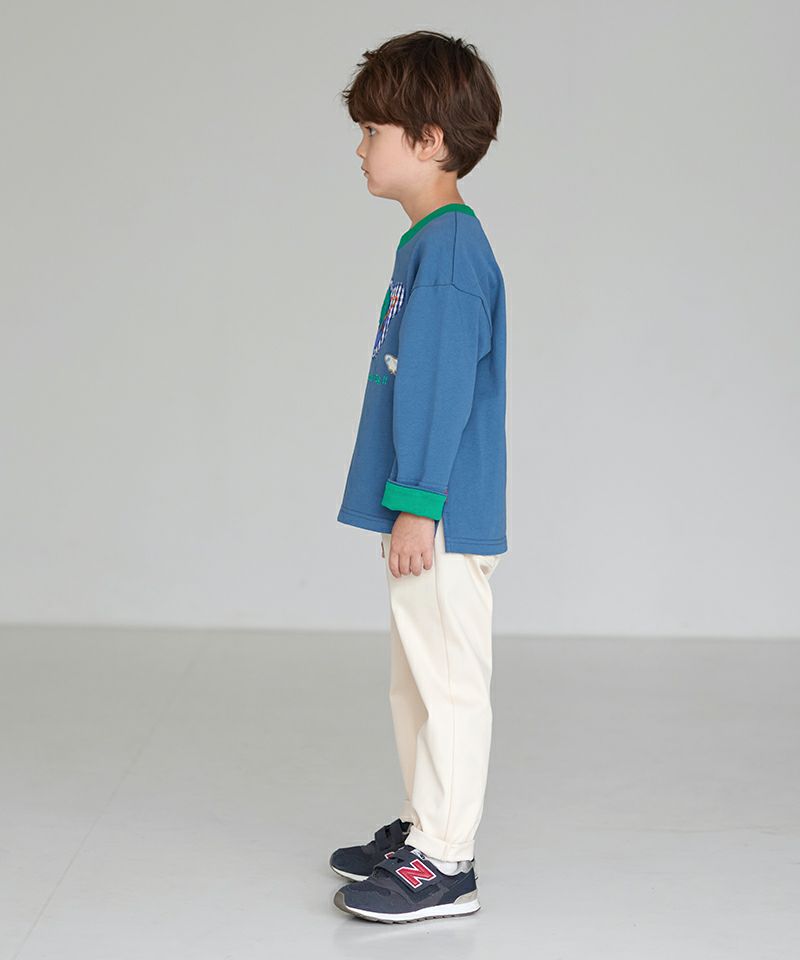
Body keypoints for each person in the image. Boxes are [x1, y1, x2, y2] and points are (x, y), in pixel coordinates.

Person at [330, 29, 508, 923]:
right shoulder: (429, 244)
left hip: (438, 514)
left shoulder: (448, 254)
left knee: (446, 683)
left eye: (374, 131)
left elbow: (437, 390)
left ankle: (447, 860)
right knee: (415, 680)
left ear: (429, 140)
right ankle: (421, 826)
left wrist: (415, 506)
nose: (361, 148)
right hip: (425, 510)